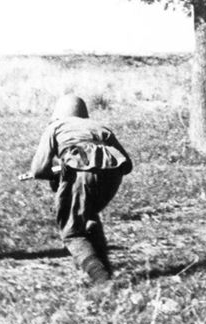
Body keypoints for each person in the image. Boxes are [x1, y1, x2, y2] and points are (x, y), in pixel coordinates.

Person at [20, 94, 132, 285]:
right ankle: (104, 266)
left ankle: (102, 280)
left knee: (72, 233)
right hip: (113, 177)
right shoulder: (101, 128)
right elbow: (127, 164)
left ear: (58, 114)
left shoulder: (55, 127)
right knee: (88, 215)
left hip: (81, 176)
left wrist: (57, 174)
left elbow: (38, 170)